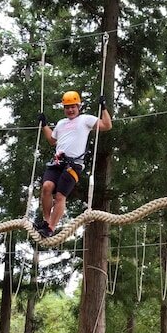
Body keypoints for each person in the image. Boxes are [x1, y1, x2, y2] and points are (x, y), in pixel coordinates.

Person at [34, 90, 112, 237]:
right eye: (67, 107)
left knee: (60, 196)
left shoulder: (85, 119)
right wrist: (44, 125)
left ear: (79, 107)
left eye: (73, 107)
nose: (70, 110)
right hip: (58, 162)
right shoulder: (61, 123)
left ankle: (50, 228)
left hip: (73, 164)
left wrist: (104, 108)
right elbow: (52, 140)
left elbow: (106, 125)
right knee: (46, 187)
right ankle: (46, 221)